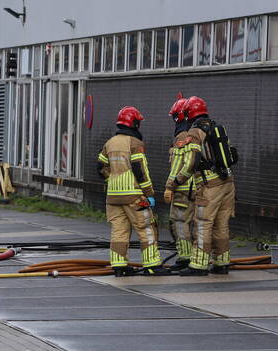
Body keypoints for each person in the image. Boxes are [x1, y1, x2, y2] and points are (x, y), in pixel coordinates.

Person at [166, 96, 236, 276]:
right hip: (228, 182)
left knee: (203, 224)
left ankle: (199, 265)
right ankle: (222, 263)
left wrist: (174, 183)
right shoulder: (216, 127)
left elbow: (191, 162)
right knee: (221, 225)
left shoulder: (195, 132)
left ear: (188, 113)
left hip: (209, 185)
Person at [97, 106, 164, 277]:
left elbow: (100, 167)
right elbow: (140, 171)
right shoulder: (135, 143)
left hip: (113, 197)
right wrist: (149, 194)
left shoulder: (109, 143)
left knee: (119, 231)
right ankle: (152, 265)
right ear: (134, 123)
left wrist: (112, 181)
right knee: (146, 228)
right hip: (134, 195)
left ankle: (119, 266)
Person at [163, 98, 194, 271]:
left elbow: (177, 165)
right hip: (197, 188)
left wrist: (170, 186)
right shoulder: (197, 133)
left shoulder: (182, 136)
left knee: (180, 222)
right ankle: (196, 257)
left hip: (183, 189)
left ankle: (185, 257)